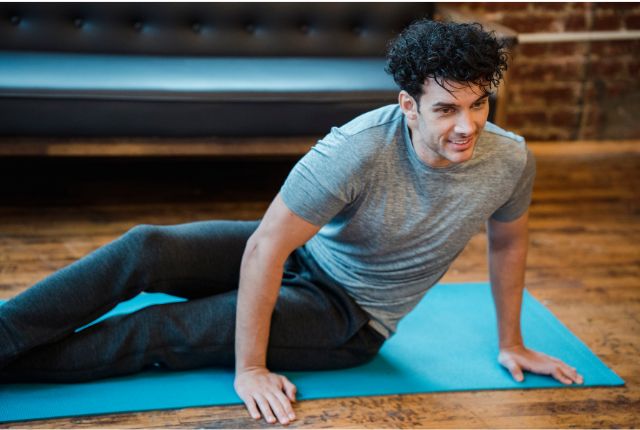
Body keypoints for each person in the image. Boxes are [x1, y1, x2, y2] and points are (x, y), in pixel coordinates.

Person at [0, 20, 583, 425]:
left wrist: (513, 342)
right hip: (310, 259)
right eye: (447, 108)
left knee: (164, 327)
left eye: (479, 103)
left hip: (351, 320)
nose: (468, 125)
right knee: (147, 247)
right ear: (408, 105)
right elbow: (265, 249)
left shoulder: (509, 159)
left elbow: (507, 243)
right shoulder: (354, 149)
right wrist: (249, 368)